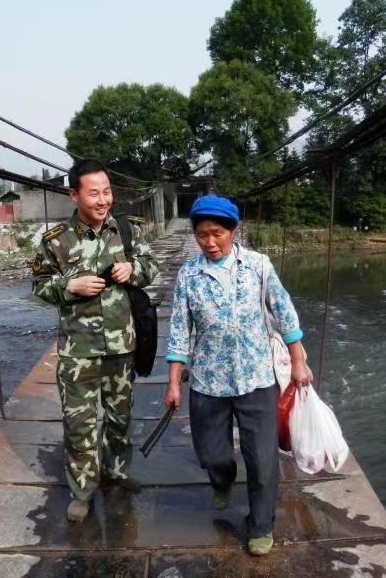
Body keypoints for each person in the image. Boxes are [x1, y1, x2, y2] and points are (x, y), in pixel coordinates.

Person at [163, 194, 313, 556]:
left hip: (256, 378)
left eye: (217, 233)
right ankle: (223, 480)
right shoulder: (188, 274)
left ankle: (260, 525)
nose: (210, 242)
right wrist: (172, 382)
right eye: (202, 235)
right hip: (208, 381)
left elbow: (284, 311)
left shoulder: (259, 265)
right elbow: (180, 330)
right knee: (212, 453)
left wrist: (298, 361)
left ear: (233, 231)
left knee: (262, 460)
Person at [32, 159, 158, 522]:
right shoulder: (55, 241)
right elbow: (39, 287)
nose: (103, 200)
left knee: (120, 417)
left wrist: (134, 270)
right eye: (94, 193)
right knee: (80, 423)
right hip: (79, 351)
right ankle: (82, 491)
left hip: (123, 346)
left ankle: (116, 472)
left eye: (107, 192)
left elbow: (152, 269)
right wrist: (68, 286)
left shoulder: (129, 231)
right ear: (74, 195)